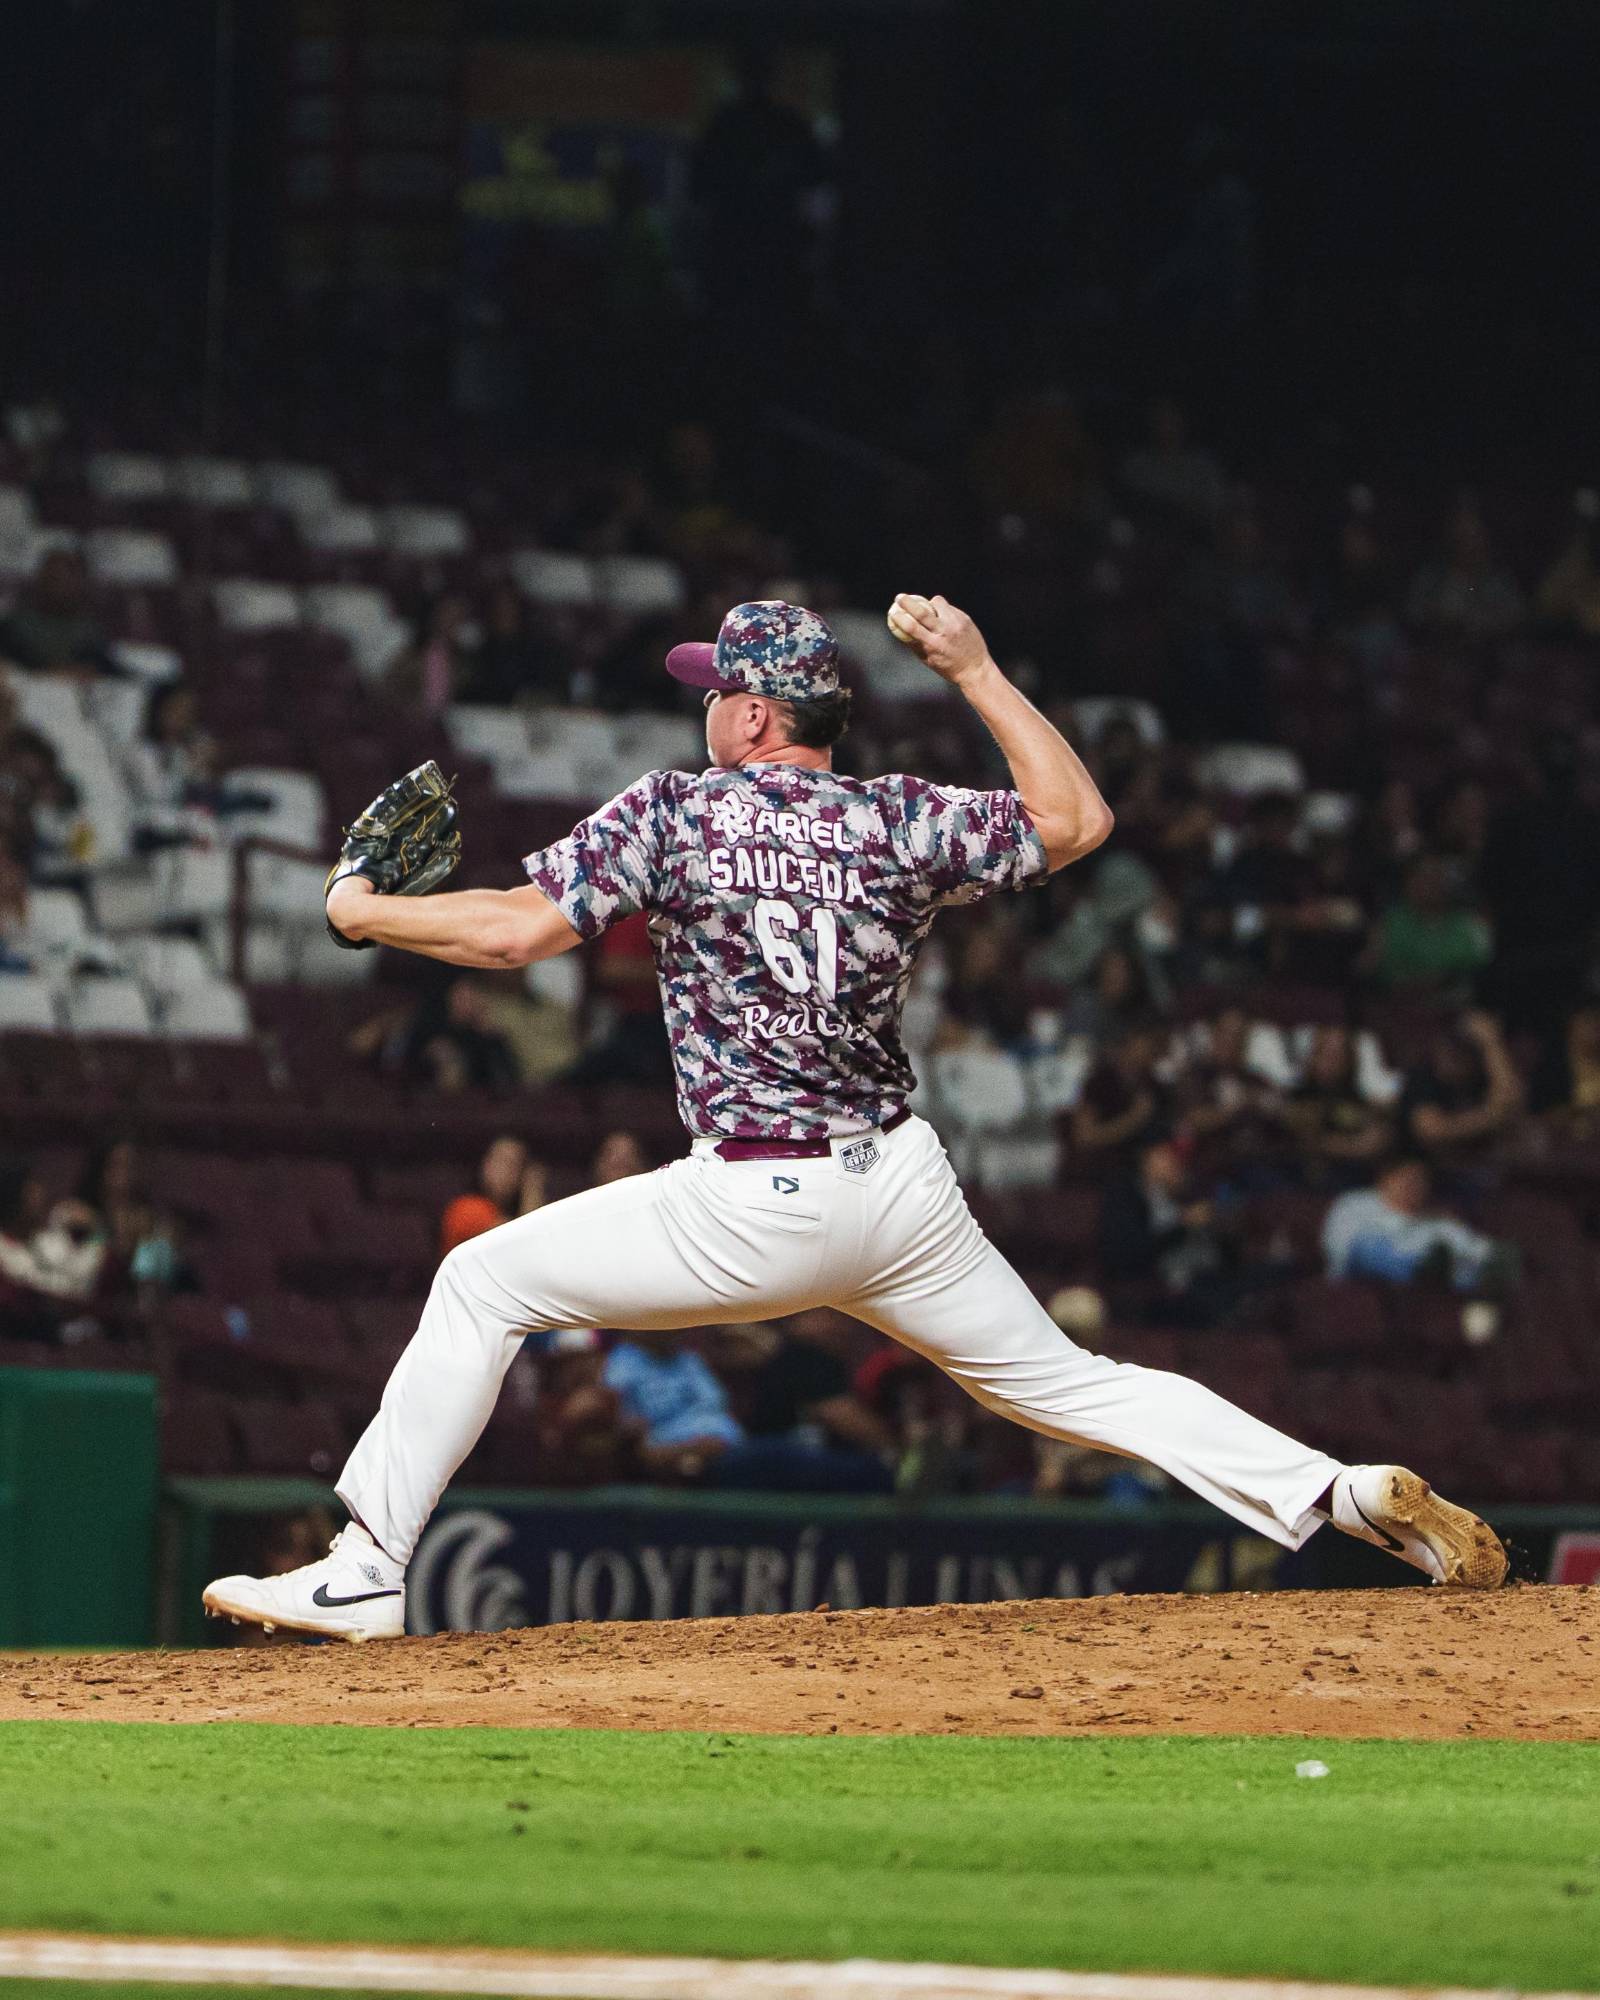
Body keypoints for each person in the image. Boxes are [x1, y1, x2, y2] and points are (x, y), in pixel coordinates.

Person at [204, 594, 1506, 1640]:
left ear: (756, 715)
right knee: (1070, 1385)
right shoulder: (896, 817)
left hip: (753, 1202)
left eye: (716, 687)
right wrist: (978, 669)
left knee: (481, 1281)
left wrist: (361, 913)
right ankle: (1335, 1491)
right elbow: (1078, 819)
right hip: (899, 1191)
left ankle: (368, 1567)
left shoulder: (676, 813)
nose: (704, 702)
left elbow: (509, 935)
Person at [1323, 1157, 1508, 1292]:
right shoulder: (1354, 1203)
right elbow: (1337, 1248)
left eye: (1419, 1180)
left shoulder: (1440, 1221)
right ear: (1385, 1179)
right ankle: (1423, 1268)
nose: (1411, 1185)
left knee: (1478, 1267)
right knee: (1367, 1247)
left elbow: (1484, 1253)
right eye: (1405, 1178)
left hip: (1420, 1294)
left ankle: (1432, 1271)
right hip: (1357, 1284)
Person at [439, 1135, 546, 1258]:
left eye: (516, 1165)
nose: (508, 1170)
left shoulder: (504, 1212)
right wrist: (532, 1190)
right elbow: (518, 1245)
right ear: (486, 1165)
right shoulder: (466, 1207)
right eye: (502, 1161)